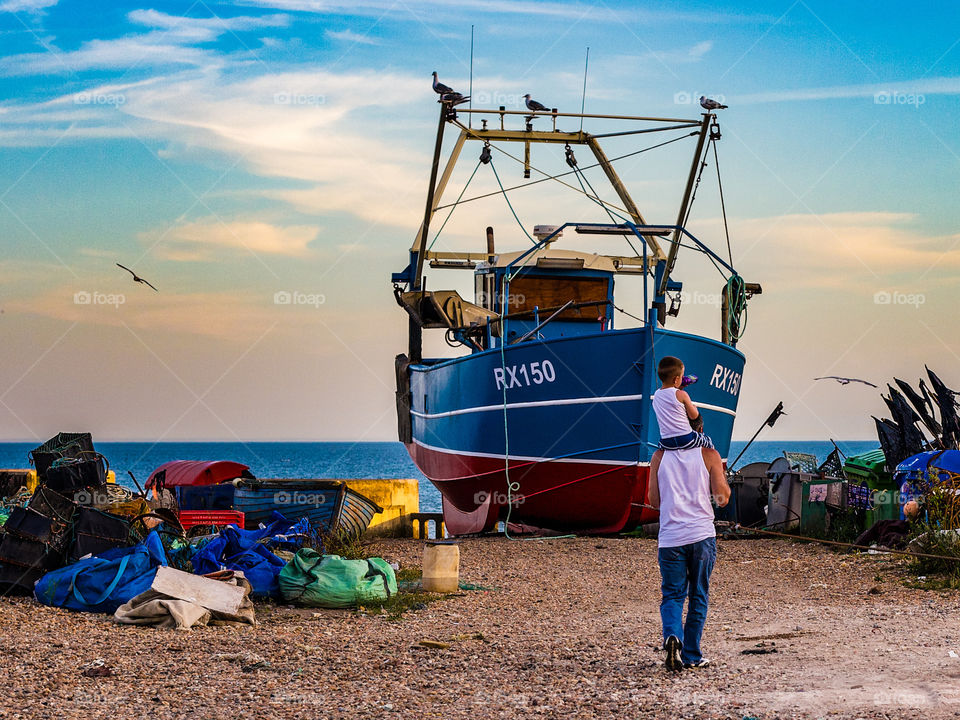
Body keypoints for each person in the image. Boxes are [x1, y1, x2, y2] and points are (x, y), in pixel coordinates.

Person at [647, 442, 730, 672]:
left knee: (673, 595)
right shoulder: (709, 455)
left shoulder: (659, 457)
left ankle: (673, 635)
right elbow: (722, 499)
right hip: (701, 536)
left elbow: (654, 501)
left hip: (671, 538)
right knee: (698, 594)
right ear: (699, 431)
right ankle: (692, 654)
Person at [652, 356, 714, 450]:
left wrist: (678, 387)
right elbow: (694, 416)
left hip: (666, 442)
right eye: (682, 376)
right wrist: (694, 408)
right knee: (708, 442)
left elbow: (671, 401)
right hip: (686, 439)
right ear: (676, 379)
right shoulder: (682, 394)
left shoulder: (656, 395)